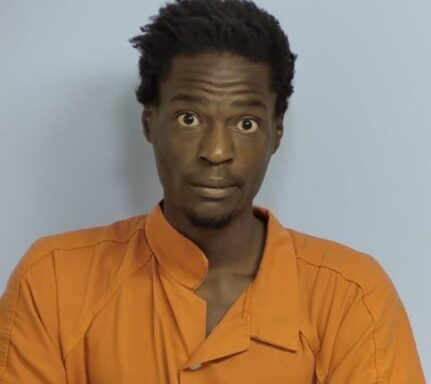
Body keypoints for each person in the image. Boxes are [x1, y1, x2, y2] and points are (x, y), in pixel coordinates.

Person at [0, 0, 425, 382]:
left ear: (276, 135)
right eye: (189, 118)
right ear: (150, 123)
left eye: (245, 124)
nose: (217, 152)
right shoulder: (52, 283)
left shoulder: (352, 297)